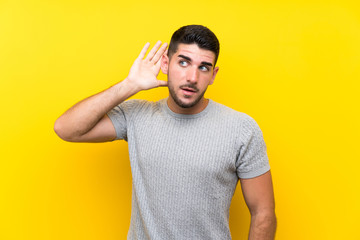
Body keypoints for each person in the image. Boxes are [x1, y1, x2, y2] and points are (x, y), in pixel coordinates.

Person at [54, 25, 277, 240]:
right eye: (183, 62)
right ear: (165, 63)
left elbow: (263, 213)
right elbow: (66, 129)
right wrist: (129, 85)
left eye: (203, 67)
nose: (192, 77)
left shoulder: (241, 129)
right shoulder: (136, 115)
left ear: (213, 75)